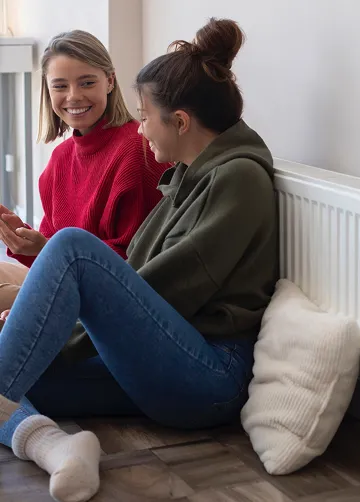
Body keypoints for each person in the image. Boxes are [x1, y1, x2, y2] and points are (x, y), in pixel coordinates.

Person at [0, 18, 278, 502]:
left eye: (146, 115)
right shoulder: (188, 178)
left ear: (181, 121)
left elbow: (166, 292)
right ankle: (57, 449)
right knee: (26, 361)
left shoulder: (238, 180)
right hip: (163, 361)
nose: (140, 126)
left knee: (69, 246)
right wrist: (37, 327)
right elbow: (141, 290)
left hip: (209, 374)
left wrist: (55, 331)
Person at [0, 30, 169, 317]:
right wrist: (28, 243)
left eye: (87, 82)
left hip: (116, 304)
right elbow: (52, 252)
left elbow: (138, 264)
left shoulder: (138, 152)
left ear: (110, 81)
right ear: (48, 90)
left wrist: (50, 254)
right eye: (60, 86)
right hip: (68, 284)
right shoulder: (59, 160)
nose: (73, 96)